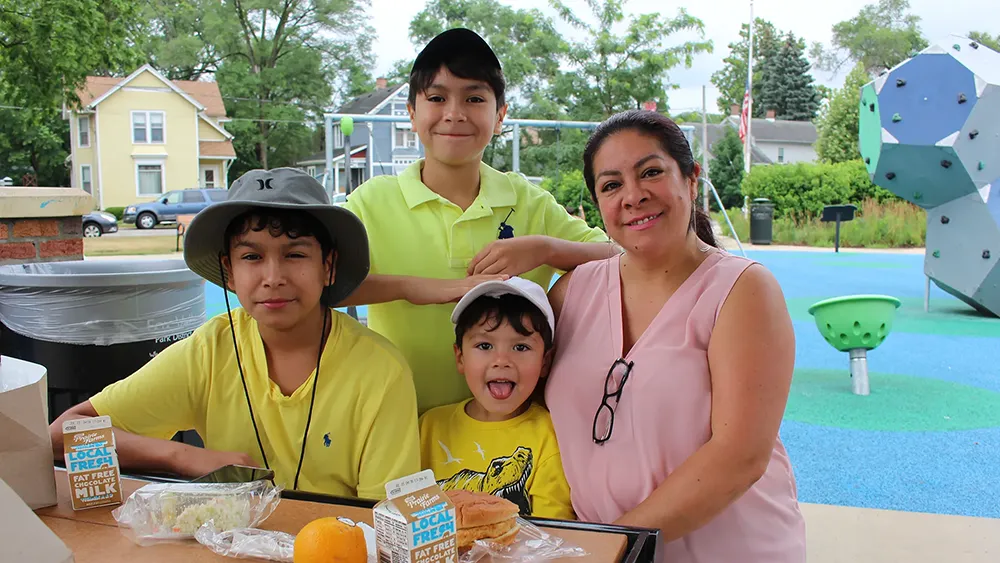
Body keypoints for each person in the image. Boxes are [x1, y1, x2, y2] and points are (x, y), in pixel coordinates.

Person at [49, 168, 421, 500]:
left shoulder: (380, 371)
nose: (273, 277)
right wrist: (181, 455)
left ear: (329, 266)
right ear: (228, 271)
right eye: (252, 257)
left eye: (295, 255)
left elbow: (383, 519)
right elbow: (63, 434)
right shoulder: (210, 352)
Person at [544, 110, 806, 561]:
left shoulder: (741, 291)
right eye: (611, 185)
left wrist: (608, 546)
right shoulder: (571, 293)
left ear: (690, 180)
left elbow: (738, 457)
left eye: (651, 173)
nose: (633, 195)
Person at [340, 28, 615, 414]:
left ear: (500, 115)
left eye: (474, 98)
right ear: (412, 115)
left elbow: (621, 255)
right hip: (403, 432)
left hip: (511, 442)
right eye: (437, 98)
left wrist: (544, 249)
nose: (454, 113)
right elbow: (322, 286)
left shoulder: (528, 202)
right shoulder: (372, 202)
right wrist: (416, 287)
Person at [418, 277, 574, 520]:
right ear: (460, 357)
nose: (501, 360)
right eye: (484, 345)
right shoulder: (429, 427)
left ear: (545, 361)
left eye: (520, 347)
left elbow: (553, 531)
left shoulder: (551, 435)